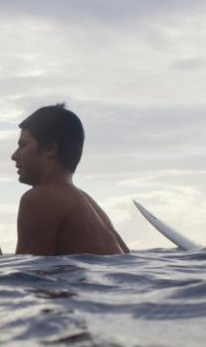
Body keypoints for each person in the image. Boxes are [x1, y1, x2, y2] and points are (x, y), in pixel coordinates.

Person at [12, 103, 129, 256]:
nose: (14, 156)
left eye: (23, 145)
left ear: (50, 149)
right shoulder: (86, 201)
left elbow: (29, 276)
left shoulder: (41, 199)